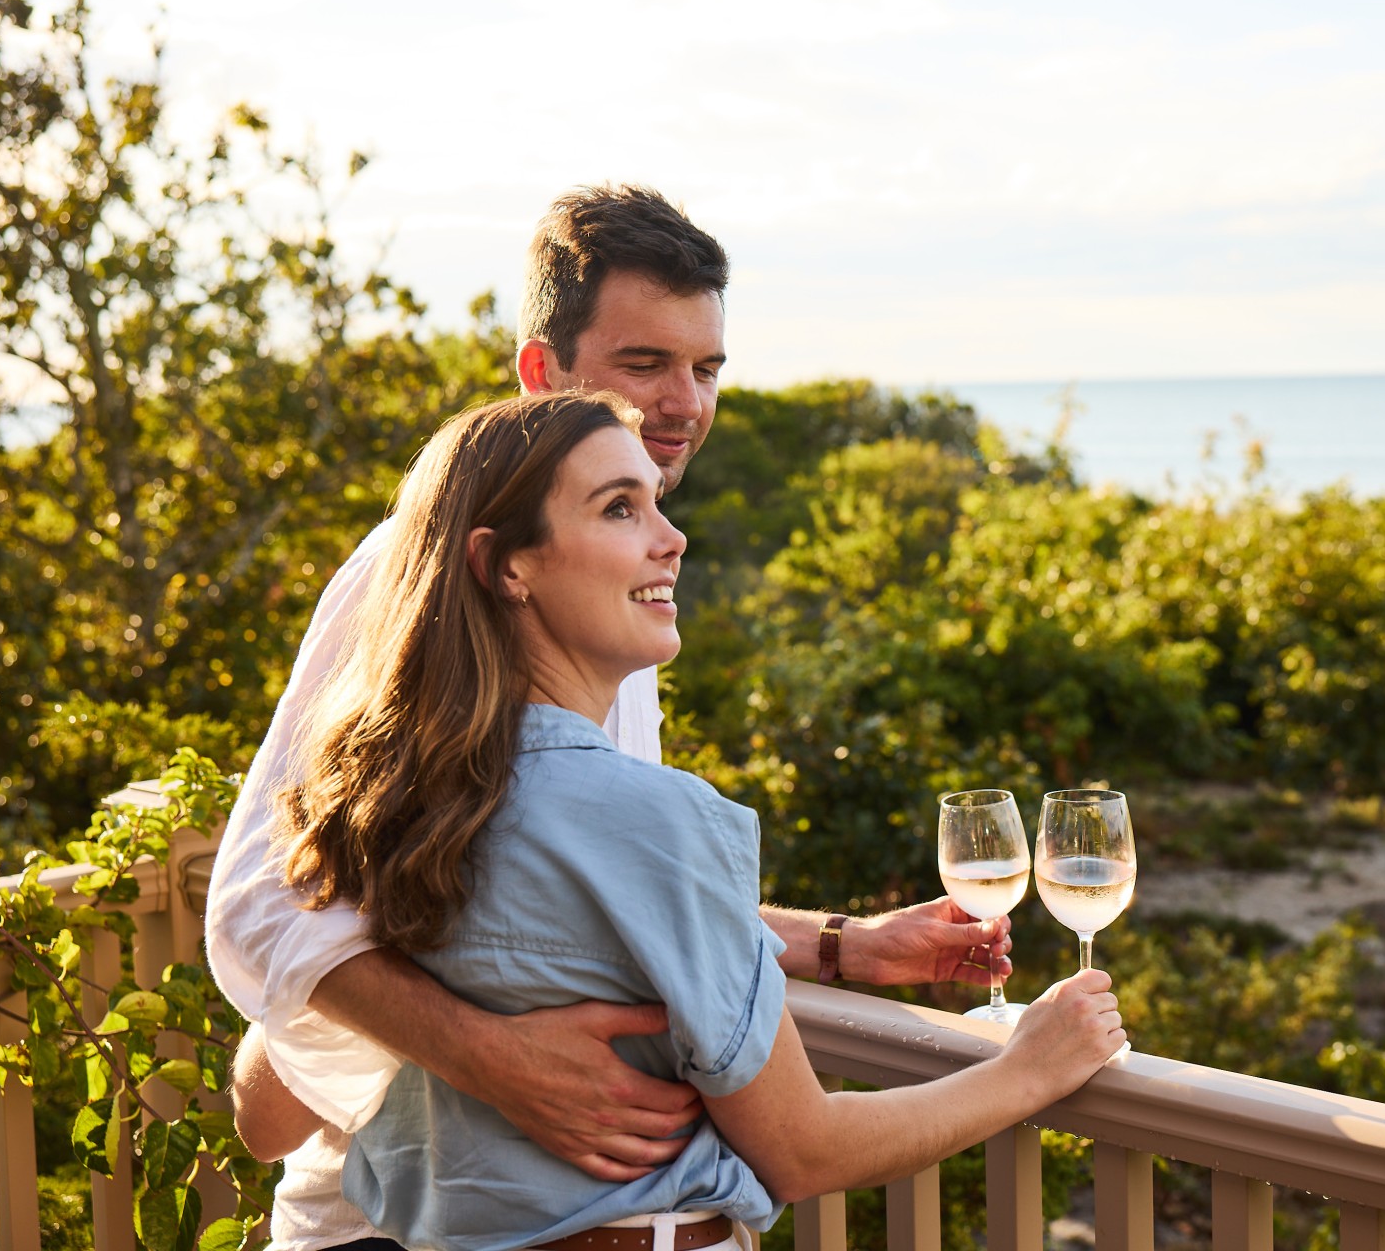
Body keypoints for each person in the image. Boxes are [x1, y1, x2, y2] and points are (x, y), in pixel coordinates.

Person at [204, 186, 1017, 1251]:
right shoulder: (425, 576)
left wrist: (839, 944)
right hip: (396, 1219)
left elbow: (573, 890)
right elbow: (260, 906)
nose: (685, 400)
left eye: (708, 366)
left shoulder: (605, 616)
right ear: (543, 371)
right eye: (646, 364)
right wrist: (492, 1056)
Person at [248, 390, 1124, 1250]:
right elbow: (803, 1151)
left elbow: (264, 1103)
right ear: (507, 564)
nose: (672, 539)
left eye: (656, 504)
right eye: (619, 509)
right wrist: (1029, 1068)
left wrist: (839, 945)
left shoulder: (384, 805)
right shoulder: (656, 822)